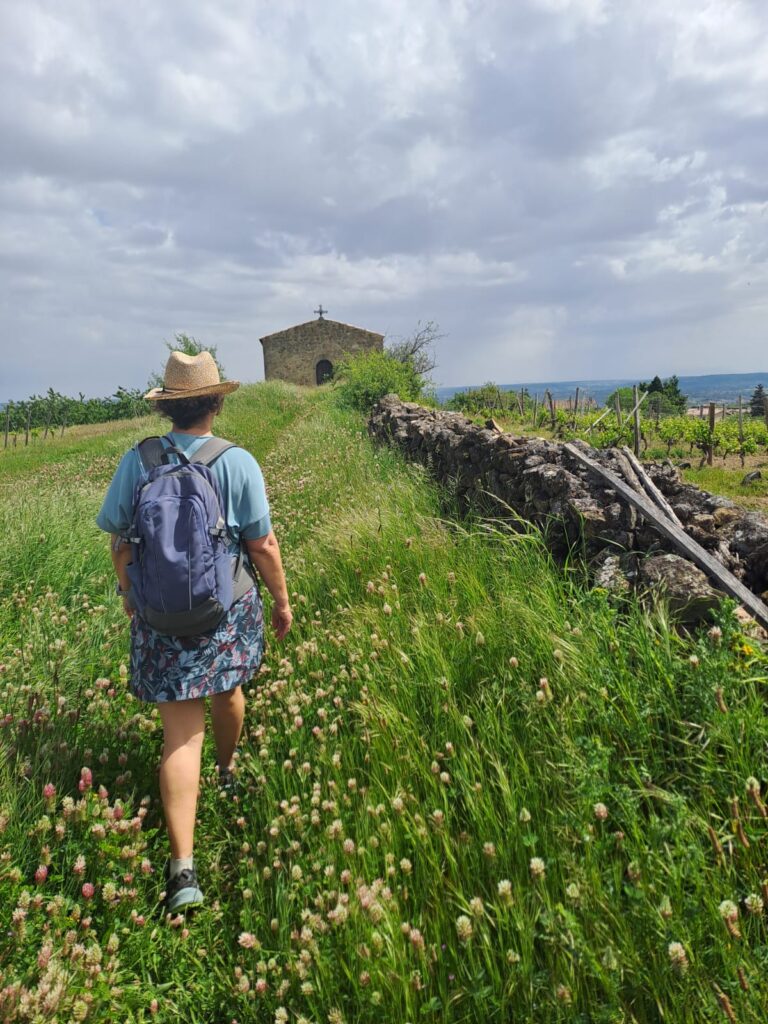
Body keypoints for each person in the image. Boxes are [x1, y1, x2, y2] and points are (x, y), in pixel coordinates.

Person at [96, 350, 292, 912]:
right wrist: (281, 602)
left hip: (158, 614)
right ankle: (227, 772)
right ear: (216, 402)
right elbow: (263, 546)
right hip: (225, 610)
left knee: (180, 737)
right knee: (228, 693)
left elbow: (119, 541)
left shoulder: (139, 460)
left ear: (169, 406)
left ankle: (182, 870)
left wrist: (133, 596)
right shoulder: (237, 461)